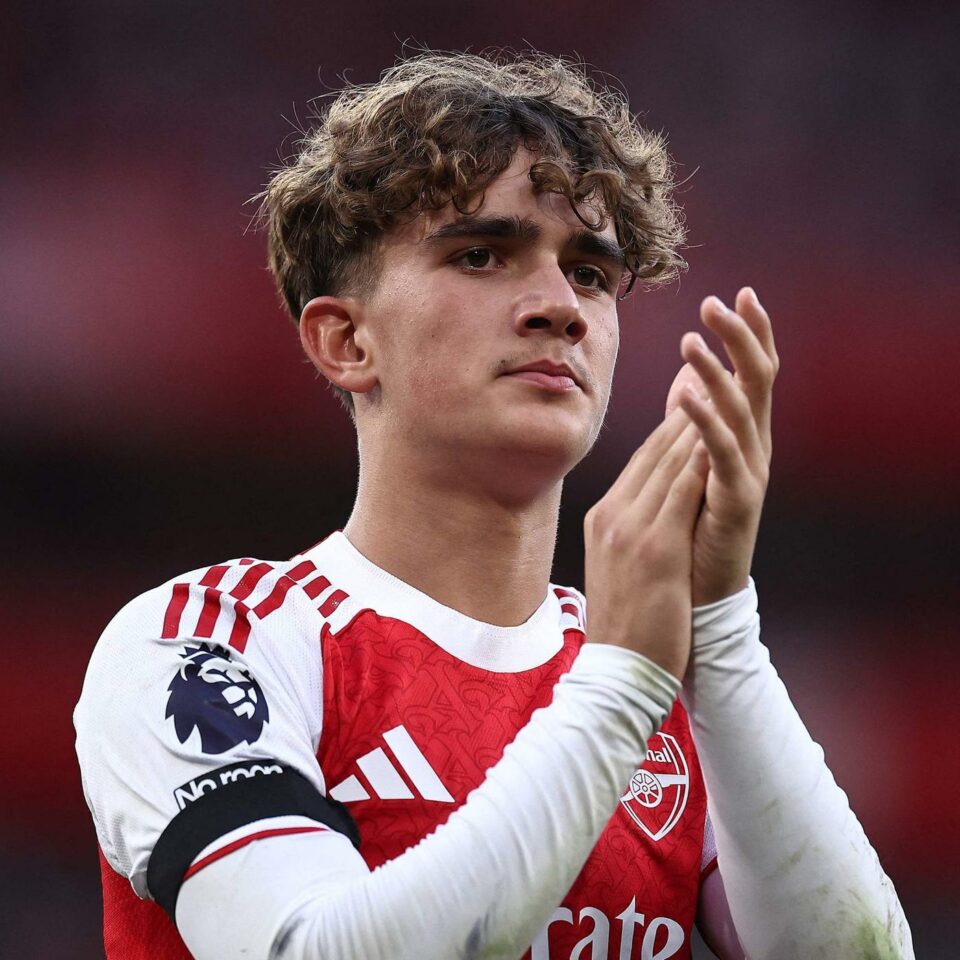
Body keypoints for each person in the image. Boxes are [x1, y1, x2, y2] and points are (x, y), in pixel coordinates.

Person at [74, 52, 913, 960]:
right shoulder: (208, 648)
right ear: (346, 340)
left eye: (590, 274)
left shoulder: (664, 681)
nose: (560, 307)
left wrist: (715, 624)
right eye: (481, 256)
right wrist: (623, 681)